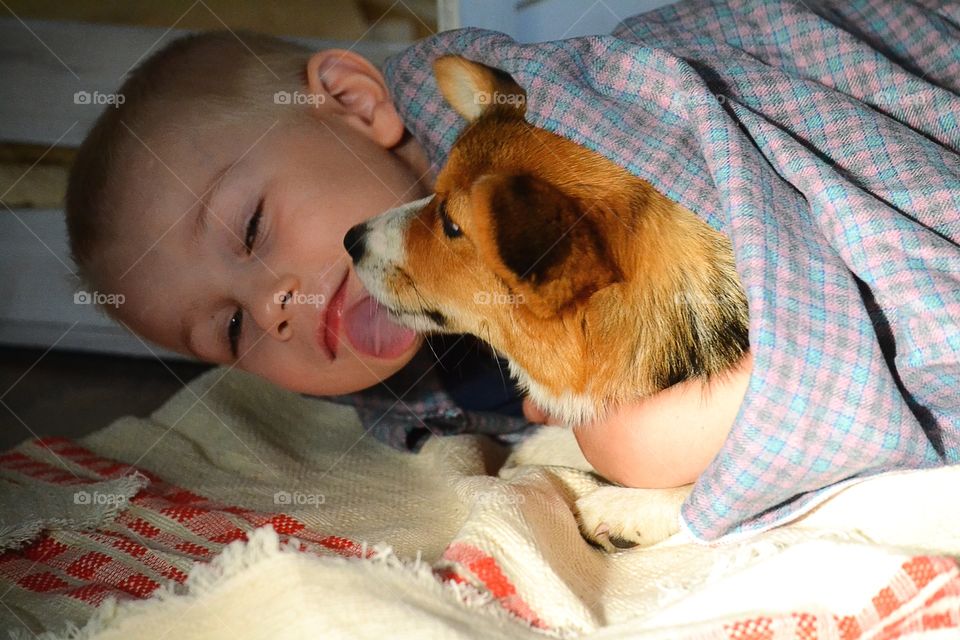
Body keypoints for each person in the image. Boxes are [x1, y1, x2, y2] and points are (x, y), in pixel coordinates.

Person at [65, 31, 752, 490]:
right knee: (621, 442)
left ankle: (806, 365)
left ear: (354, 105)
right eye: (232, 330)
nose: (272, 306)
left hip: (735, 218)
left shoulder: (520, 119)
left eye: (250, 229)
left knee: (633, 448)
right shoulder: (410, 412)